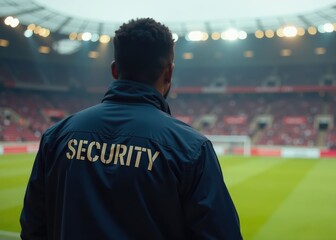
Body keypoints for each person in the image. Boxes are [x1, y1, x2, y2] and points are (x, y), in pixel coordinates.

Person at [20, 18, 242, 240]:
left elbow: (33, 228)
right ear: (169, 73)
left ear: (115, 70)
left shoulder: (57, 136)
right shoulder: (191, 148)